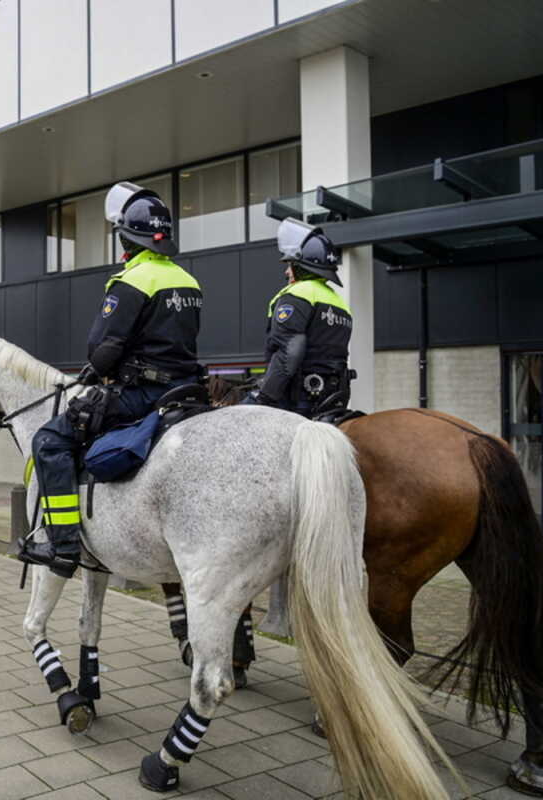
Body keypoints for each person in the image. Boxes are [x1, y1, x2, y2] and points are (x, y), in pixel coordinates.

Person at [20, 181, 204, 578]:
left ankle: (63, 544)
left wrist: (97, 369)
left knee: (48, 441)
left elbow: (102, 350)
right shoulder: (188, 282)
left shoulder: (131, 281)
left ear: (126, 236)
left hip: (140, 395)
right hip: (184, 391)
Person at [241, 219, 353, 417]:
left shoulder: (298, 293)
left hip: (297, 399)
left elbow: (289, 352)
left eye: (291, 265)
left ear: (303, 265)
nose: (286, 272)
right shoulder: (338, 301)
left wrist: (264, 397)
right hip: (331, 397)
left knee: (234, 420)